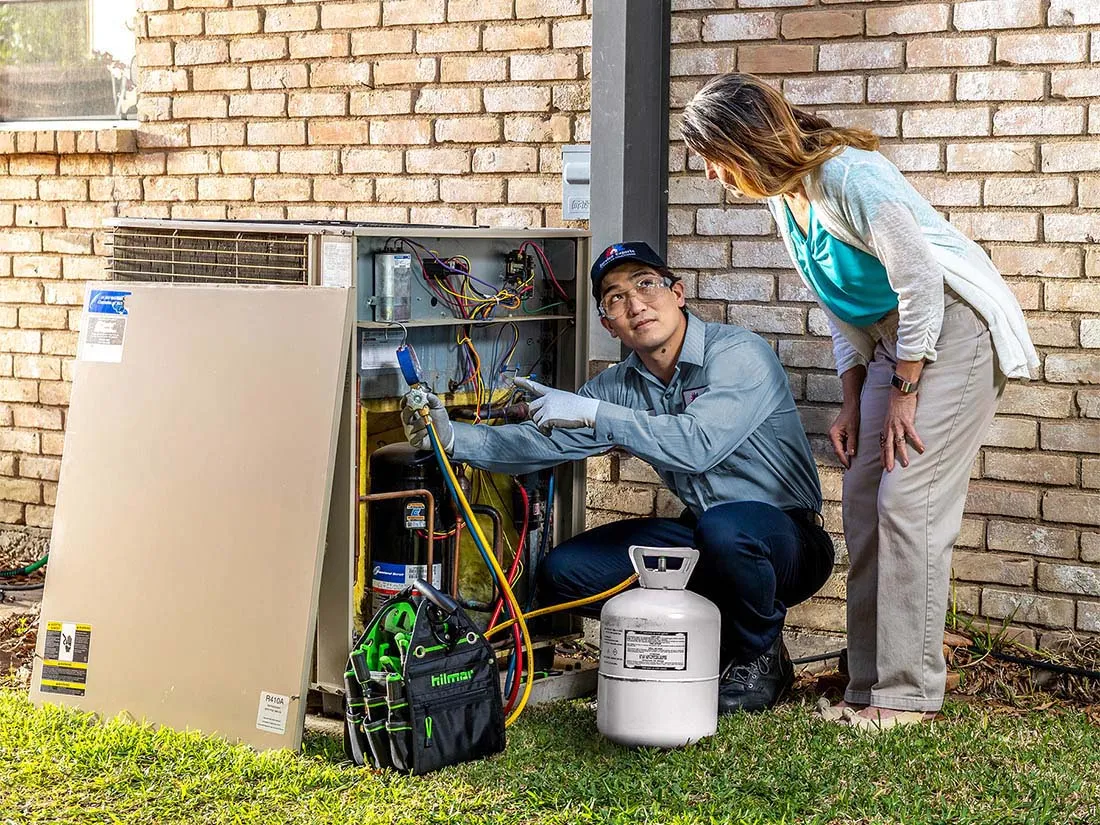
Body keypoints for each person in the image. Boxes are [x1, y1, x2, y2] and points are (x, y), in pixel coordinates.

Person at [680, 73, 1038, 728]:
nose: (711, 172)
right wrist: (851, 401)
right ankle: (869, 682)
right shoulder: (786, 201)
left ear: (748, 139)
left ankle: (905, 694)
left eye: (713, 153)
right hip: (892, 340)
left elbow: (923, 280)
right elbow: (843, 309)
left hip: (954, 331)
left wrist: (903, 389)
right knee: (866, 499)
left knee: (909, 499)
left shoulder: (849, 174)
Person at [402, 240, 835, 714]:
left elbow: (698, 445)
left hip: (785, 541)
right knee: (564, 574)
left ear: (678, 293)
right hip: (704, 536)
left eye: (646, 284)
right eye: (615, 297)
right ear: (609, 323)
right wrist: (449, 438)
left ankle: (761, 657)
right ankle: (713, 634)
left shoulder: (737, 354)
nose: (635, 303)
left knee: (727, 530)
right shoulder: (618, 387)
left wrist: (595, 414)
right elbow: (540, 445)